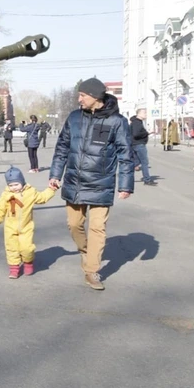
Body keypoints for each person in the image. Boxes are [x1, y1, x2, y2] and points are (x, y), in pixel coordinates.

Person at [48, 78, 134, 291]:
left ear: (95, 97)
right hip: (74, 182)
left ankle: (91, 270)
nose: (79, 99)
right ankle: (87, 252)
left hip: (101, 183)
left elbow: (126, 154)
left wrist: (125, 185)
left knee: (97, 228)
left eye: (82, 96)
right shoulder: (75, 117)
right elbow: (62, 147)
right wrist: (55, 174)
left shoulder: (117, 122)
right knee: (74, 224)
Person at [0, 166, 57, 279]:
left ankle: (28, 262)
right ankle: (14, 269)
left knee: (27, 248)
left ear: (22, 182)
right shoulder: (6, 195)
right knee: (12, 248)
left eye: (16, 184)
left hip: (26, 227)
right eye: (11, 185)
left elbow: (42, 198)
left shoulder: (30, 192)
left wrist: (51, 189)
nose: (14, 188)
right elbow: (0, 208)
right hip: (10, 228)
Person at [129, 108, 156, 186]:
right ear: (139, 114)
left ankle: (126, 174)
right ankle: (147, 180)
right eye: (144, 113)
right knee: (144, 162)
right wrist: (147, 133)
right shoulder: (137, 123)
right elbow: (136, 134)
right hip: (139, 144)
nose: (146, 114)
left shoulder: (136, 122)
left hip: (135, 144)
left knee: (137, 162)